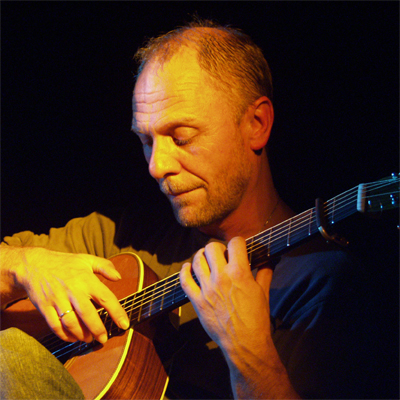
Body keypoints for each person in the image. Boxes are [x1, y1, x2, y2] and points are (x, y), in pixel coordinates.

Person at [0, 20, 381, 399]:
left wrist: (248, 355)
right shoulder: (120, 239)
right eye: (146, 140)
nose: (156, 166)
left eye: (181, 137)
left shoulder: (323, 285)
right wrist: (27, 265)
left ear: (256, 124)